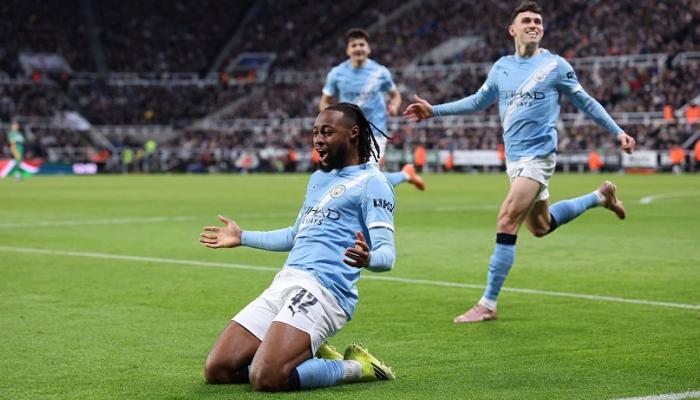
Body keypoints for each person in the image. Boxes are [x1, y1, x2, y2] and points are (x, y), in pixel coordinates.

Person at [403, 1, 636, 323]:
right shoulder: (502, 67)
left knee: (506, 220)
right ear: (512, 30)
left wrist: (618, 131)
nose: (533, 25)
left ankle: (487, 304)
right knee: (541, 226)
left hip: (538, 157)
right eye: (526, 20)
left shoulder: (555, 66)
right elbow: (478, 101)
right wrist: (435, 110)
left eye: (538, 21)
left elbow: (586, 102)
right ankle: (600, 197)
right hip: (515, 160)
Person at [199, 103, 396, 392]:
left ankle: (358, 367)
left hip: (325, 292)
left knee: (266, 377)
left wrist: (368, 258)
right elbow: (295, 235)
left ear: (353, 134)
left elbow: (387, 255)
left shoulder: (373, 183)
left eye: (327, 132)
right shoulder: (318, 179)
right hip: (285, 282)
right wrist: (242, 237)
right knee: (218, 369)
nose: (318, 139)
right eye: (315, 133)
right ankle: (305, 353)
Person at [320, 28, 425, 191]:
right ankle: (405, 174)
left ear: (368, 48)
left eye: (362, 44)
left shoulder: (380, 72)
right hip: (347, 132)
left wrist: (394, 106)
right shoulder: (336, 74)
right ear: (348, 50)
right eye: (354, 45)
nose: (358, 48)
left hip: (375, 131)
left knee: (365, 177)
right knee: (352, 177)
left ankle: (403, 176)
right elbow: (325, 101)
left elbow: (395, 95)